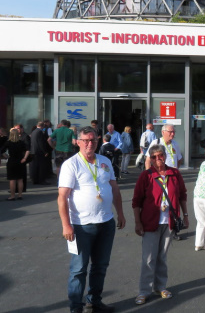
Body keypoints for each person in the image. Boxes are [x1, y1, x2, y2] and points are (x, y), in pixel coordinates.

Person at [58, 126, 126, 313]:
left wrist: (120, 213)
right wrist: (66, 225)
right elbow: (62, 197)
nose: (90, 144)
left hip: (106, 222)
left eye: (93, 140)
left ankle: (94, 301)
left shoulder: (104, 161)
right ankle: (76, 308)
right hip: (81, 226)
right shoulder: (71, 164)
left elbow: (114, 189)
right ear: (78, 142)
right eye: (86, 140)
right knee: (78, 270)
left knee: (100, 266)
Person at [132, 144, 188, 305]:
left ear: (165, 155)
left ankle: (160, 286)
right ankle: (144, 291)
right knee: (148, 258)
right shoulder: (146, 176)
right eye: (155, 156)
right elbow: (136, 201)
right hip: (150, 222)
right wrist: (137, 222)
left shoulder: (174, 173)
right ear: (150, 158)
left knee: (162, 257)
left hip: (169, 221)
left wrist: (185, 215)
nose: (158, 159)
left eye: (161, 155)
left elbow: (183, 195)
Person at [2, 128, 29, 200]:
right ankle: (20, 195)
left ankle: (12, 196)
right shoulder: (21, 142)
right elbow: (27, 150)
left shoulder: (8, 143)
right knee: (20, 179)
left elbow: (2, 151)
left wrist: (6, 156)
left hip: (11, 161)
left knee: (12, 180)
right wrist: (24, 158)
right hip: (20, 161)